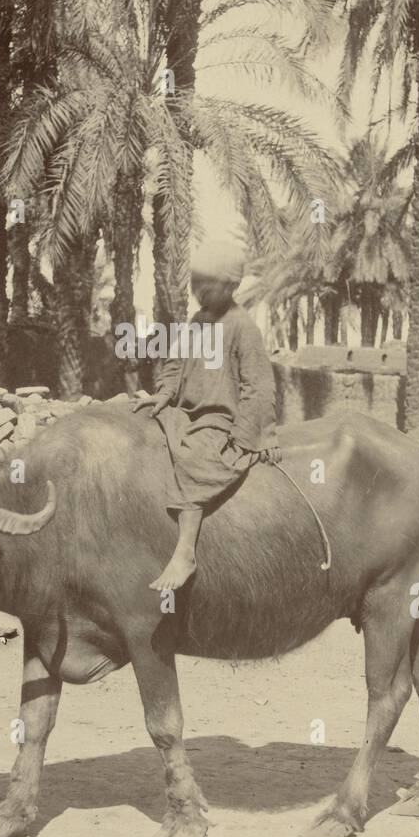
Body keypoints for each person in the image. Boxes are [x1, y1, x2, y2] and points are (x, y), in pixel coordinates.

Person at [135, 240, 279, 592]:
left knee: (194, 456)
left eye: (206, 286)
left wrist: (254, 437)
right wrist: (164, 394)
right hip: (184, 412)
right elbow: (174, 365)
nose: (198, 292)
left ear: (230, 286)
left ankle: (185, 551)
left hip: (218, 420)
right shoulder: (195, 322)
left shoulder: (243, 328)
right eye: (194, 284)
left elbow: (258, 386)